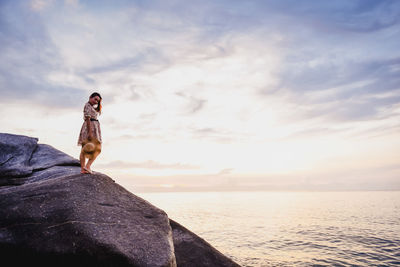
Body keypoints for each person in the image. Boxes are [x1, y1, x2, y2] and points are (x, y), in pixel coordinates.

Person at [77, 92, 102, 174]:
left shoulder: (91, 106)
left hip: (94, 127)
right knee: (96, 149)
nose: (96, 102)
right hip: (90, 128)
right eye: (95, 99)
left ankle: (84, 168)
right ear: (90, 97)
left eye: (97, 101)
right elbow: (88, 119)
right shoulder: (87, 105)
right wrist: (90, 133)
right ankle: (86, 167)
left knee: (87, 149)